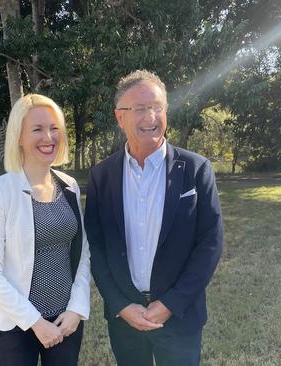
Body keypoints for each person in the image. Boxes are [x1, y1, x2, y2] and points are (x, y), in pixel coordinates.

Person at [84, 70, 223, 366]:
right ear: (120, 117)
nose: (151, 116)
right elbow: (95, 247)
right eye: (139, 109)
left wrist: (171, 303)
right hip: (125, 319)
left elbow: (210, 244)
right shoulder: (102, 176)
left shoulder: (197, 170)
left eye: (157, 107)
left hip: (180, 316)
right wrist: (121, 305)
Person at [0, 94, 91, 366]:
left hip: (65, 322)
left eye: (54, 128)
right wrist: (36, 322)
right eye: (37, 129)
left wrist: (77, 308)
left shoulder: (70, 186)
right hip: (14, 325)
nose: (48, 137)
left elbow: (82, 253)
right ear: (18, 137)